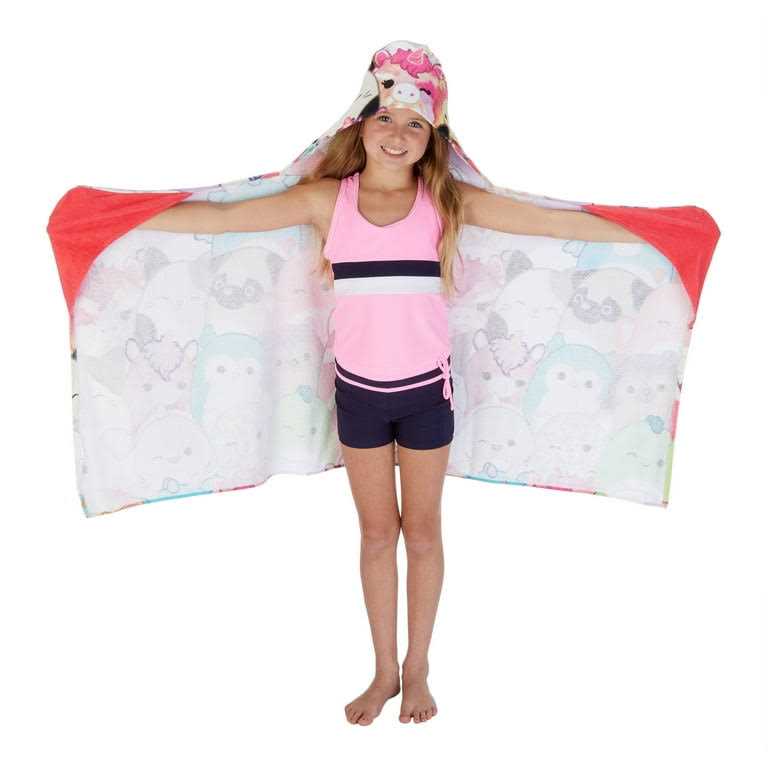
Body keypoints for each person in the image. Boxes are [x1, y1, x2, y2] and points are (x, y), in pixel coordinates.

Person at [136, 43, 645, 727]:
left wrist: (653, 231)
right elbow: (223, 220)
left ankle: (419, 668)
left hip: (426, 396)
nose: (398, 134)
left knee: (423, 534)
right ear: (361, 122)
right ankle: (383, 672)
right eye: (386, 118)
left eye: (415, 124)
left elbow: (554, 223)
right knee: (378, 536)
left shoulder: (445, 202)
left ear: (434, 137)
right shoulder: (328, 201)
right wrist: (120, 218)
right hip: (359, 397)